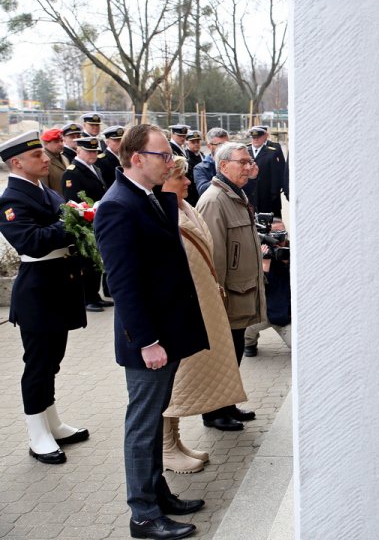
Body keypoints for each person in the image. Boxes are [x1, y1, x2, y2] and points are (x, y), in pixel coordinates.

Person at [94, 123, 209, 540]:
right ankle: (142, 514)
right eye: (162, 155)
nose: (170, 161)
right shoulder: (117, 205)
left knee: (154, 419)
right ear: (136, 158)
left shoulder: (151, 198)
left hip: (167, 332)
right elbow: (123, 284)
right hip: (149, 341)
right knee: (142, 428)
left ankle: (158, 494)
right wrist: (146, 342)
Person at [0, 130, 89, 465]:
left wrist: (77, 215)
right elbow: (31, 242)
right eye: (37, 155)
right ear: (16, 163)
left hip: (58, 287)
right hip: (38, 292)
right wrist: (73, 220)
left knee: (52, 361)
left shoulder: (43, 190)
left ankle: (52, 422)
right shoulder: (12, 200)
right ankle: (37, 432)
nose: (44, 159)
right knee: (38, 365)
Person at [159, 156, 248, 473]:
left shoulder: (185, 209)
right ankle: (165, 448)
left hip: (200, 305)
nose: (187, 183)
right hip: (180, 313)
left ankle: (176, 440)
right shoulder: (162, 216)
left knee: (181, 380)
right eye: (179, 178)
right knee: (173, 382)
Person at [196, 141, 265, 431]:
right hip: (228, 296)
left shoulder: (234, 194)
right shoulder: (215, 200)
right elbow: (214, 258)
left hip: (241, 291)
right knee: (222, 355)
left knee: (233, 352)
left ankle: (228, 404)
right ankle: (214, 412)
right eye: (243, 162)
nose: (249, 167)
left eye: (250, 162)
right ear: (223, 166)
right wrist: (217, 299)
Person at [61, 135, 111, 313]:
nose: (93, 154)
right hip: (84, 222)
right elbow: (73, 201)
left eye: (95, 151)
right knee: (86, 262)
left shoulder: (94, 168)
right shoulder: (72, 172)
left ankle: (95, 295)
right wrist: (84, 219)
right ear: (78, 150)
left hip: (97, 219)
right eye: (89, 151)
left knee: (96, 261)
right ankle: (86, 297)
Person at [243, 217, 291, 357]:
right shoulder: (260, 254)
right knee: (244, 330)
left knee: (296, 346)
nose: (278, 237)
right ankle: (250, 343)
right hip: (263, 313)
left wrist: (286, 261)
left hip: (285, 315)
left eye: (281, 232)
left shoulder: (294, 251)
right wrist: (264, 264)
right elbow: (255, 289)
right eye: (274, 233)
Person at [246, 126, 285, 217]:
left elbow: (275, 174)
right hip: (250, 192)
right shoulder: (246, 152)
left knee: (268, 219)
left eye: (258, 137)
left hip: (266, 192)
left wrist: (274, 192)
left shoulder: (271, 153)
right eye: (253, 137)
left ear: (264, 137)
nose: (256, 140)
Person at [193, 128, 228, 196]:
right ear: (209, 146)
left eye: (227, 144)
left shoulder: (234, 163)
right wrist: (223, 177)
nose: (225, 148)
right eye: (220, 145)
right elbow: (202, 190)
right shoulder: (201, 168)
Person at [39, 128, 70, 195]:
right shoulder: (42, 160)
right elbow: (44, 188)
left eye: (61, 141)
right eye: (56, 142)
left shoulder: (64, 158)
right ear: (46, 143)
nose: (61, 144)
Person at [182, 130, 202, 206]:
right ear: (187, 142)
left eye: (198, 142)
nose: (196, 144)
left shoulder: (202, 156)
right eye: (193, 142)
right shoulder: (185, 157)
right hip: (191, 193)